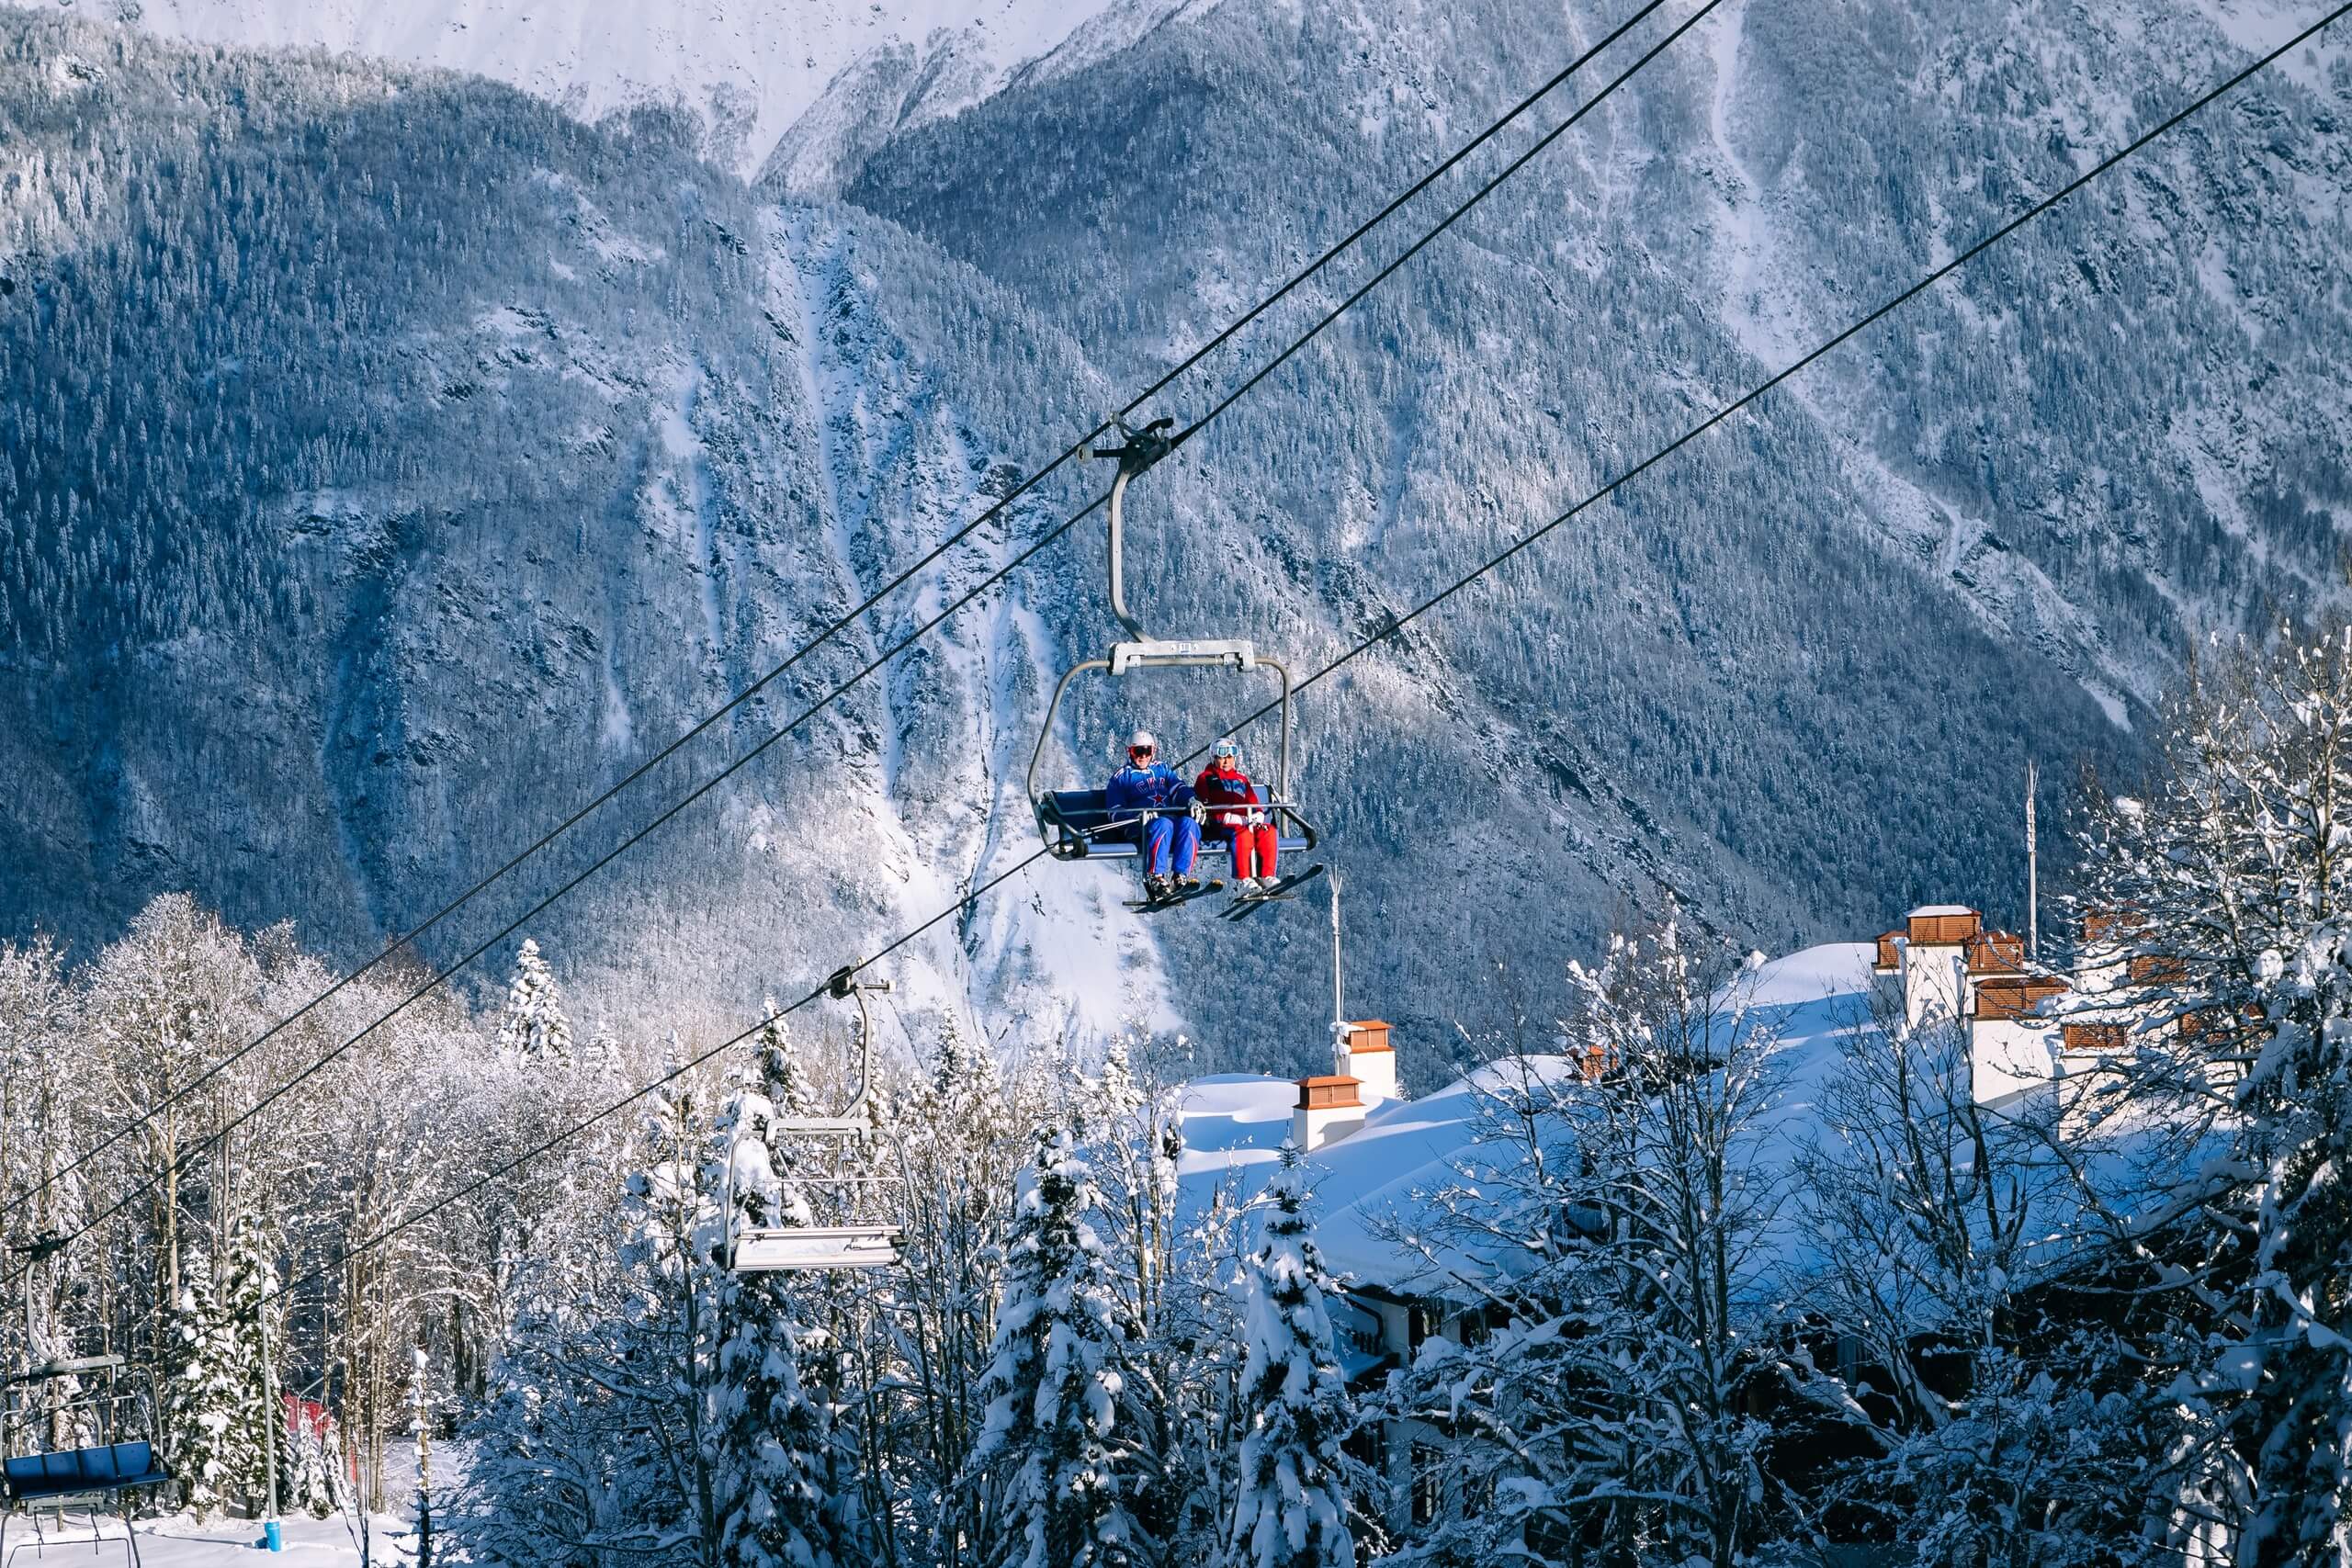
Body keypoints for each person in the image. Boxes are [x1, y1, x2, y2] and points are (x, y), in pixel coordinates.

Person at [1105, 730, 1200, 900]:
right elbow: (1114, 811)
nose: (1142, 757)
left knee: (1189, 823)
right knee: (1164, 824)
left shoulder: (1162, 769)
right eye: (1137, 752)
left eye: (1146, 751)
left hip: (1169, 821)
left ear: (1153, 751)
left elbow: (1178, 788)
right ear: (1130, 752)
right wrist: (1136, 817)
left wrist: (1191, 800)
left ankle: (1180, 875)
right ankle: (1156, 877)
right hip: (1141, 827)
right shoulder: (1122, 777)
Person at [1193, 738, 1279, 892]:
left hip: (1245, 821)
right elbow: (1204, 805)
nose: (1226, 761)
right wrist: (1223, 817)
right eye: (1221, 757)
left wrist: (1258, 814)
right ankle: (1243, 879)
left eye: (1230, 757)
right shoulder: (1206, 778)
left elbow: (1253, 801)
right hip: (1220, 825)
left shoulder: (1241, 779)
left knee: (1269, 831)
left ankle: (1266, 876)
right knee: (1243, 834)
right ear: (1213, 757)